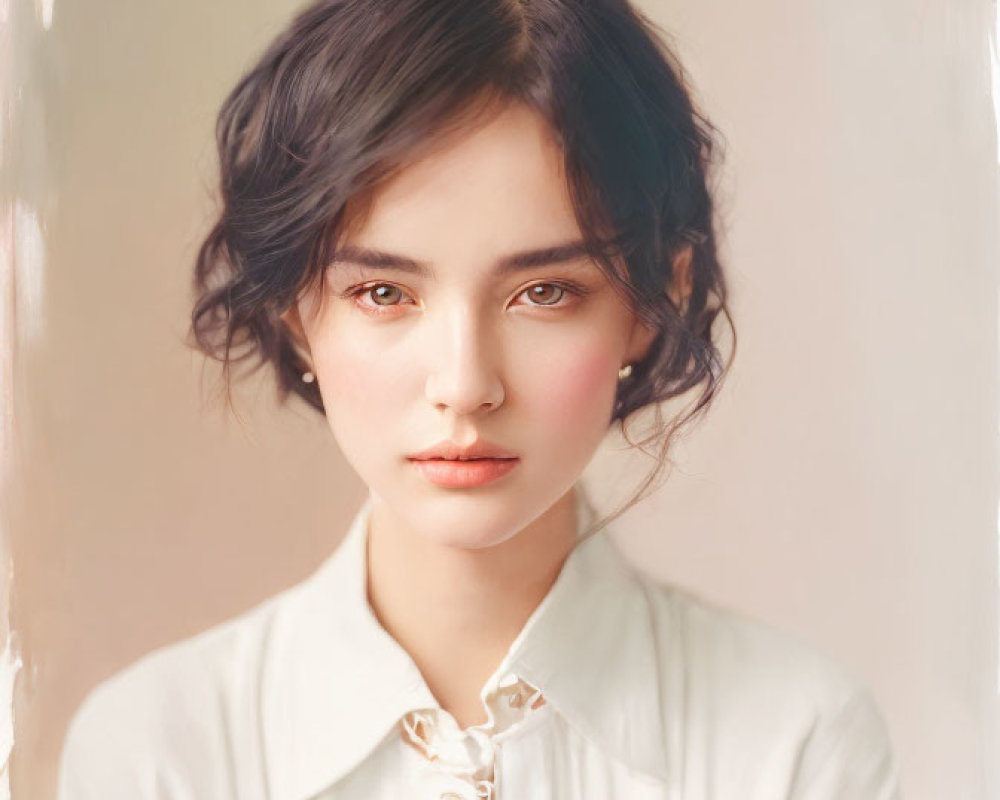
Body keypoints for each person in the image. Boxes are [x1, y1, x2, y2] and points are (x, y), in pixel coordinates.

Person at [57, 0, 903, 798]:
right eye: (385, 294)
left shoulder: (791, 741)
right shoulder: (158, 750)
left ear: (654, 302)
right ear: (294, 313)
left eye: (544, 293)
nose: (464, 385)